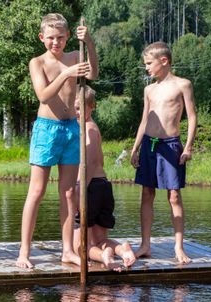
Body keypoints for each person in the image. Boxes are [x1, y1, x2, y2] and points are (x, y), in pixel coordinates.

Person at [16, 13, 99, 269]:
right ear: (42, 38)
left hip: (71, 129)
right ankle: (24, 252)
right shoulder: (37, 62)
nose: (56, 42)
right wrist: (66, 74)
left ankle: (66, 250)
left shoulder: (75, 56)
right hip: (46, 130)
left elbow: (93, 74)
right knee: (37, 191)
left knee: (69, 192)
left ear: (67, 36)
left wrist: (91, 43)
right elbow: (43, 95)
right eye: (51, 38)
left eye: (61, 37)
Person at [130, 41, 197, 264]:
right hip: (149, 144)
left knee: (174, 195)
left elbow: (193, 117)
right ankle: (145, 245)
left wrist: (188, 147)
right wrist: (135, 148)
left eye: (149, 63)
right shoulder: (149, 89)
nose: (146, 68)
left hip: (171, 145)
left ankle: (178, 247)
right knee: (147, 193)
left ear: (164, 61)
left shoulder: (182, 85)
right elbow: (143, 121)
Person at [72, 85, 136, 271]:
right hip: (103, 186)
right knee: (100, 239)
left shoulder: (88, 129)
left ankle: (103, 256)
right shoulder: (90, 127)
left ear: (92, 107)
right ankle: (122, 250)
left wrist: (79, 188)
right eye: (75, 108)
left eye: (80, 108)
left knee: (79, 247)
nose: (77, 112)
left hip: (90, 187)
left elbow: (90, 162)